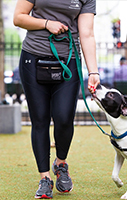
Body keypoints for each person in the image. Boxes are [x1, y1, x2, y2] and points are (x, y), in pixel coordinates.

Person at [13, 0, 100, 199]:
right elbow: (18, 18)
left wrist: (93, 71)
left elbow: (86, 33)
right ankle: (45, 178)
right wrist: (46, 24)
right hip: (33, 58)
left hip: (68, 59)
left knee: (63, 117)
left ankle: (60, 164)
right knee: (40, 119)